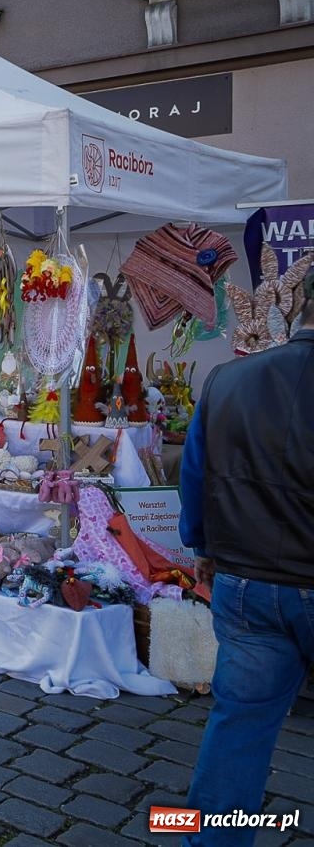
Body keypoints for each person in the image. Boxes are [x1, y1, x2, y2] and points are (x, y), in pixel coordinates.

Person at [180, 274, 314, 844]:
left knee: (237, 730)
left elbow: (194, 478)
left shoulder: (229, 378)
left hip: (244, 580)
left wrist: (204, 548)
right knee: (237, 727)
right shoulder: (227, 378)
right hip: (265, 576)